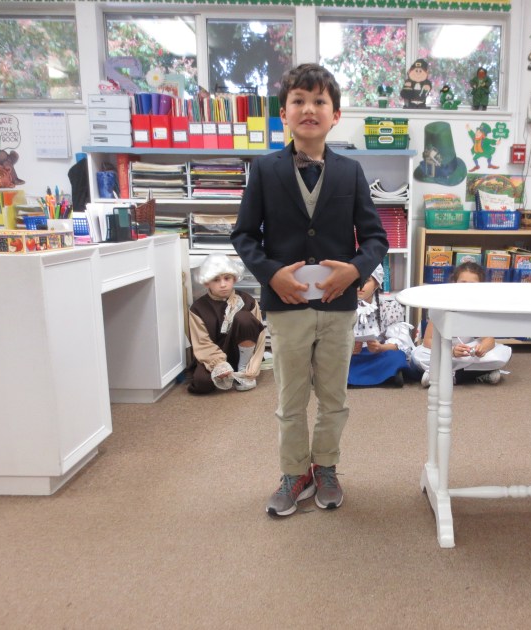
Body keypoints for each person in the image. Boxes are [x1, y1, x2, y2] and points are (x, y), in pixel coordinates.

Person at [230, 63, 389, 517]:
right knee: (290, 399)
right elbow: (244, 235)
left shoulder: (351, 172)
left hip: (338, 307)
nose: (309, 109)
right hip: (287, 306)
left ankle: (326, 467)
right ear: (284, 113)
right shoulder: (264, 170)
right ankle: (294, 472)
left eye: (320, 101)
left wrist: (354, 271)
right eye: (298, 101)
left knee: (334, 398)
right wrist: (271, 274)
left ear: (335, 115)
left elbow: (376, 238)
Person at [411, 261, 512, 386]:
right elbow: (428, 341)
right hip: (444, 350)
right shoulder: (441, 305)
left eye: (472, 285)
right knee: (418, 356)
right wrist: (451, 351)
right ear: (454, 283)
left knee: (501, 353)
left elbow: (489, 340)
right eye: (463, 283)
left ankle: (443, 375)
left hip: (467, 352)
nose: (466, 289)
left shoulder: (481, 307)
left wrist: (480, 349)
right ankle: (471, 374)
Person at [187, 253, 266, 395]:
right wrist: (219, 364)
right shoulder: (198, 308)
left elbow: (259, 335)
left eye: (227, 278)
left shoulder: (247, 301)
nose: (223, 284)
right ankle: (228, 372)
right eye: (216, 280)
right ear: (207, 283)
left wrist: (252, 368)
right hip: (213, 355)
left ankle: (242, 369)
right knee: (202, 383)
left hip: (241, 354)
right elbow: (202, 343)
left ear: (234, 278)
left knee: (244, 317)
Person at [349, 264, 416, 388]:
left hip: (376, 355)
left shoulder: (388, 308)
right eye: (355, 281)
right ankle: (386, 376)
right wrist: (348, 349)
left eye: (366, 281)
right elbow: (330, 339)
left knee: (396, 356)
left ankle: (354, 377)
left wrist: (380, 347)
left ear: (377, 283)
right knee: (329, 360)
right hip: (350, 357)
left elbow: (399, 341)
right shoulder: (342, 310)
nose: (360, 286)